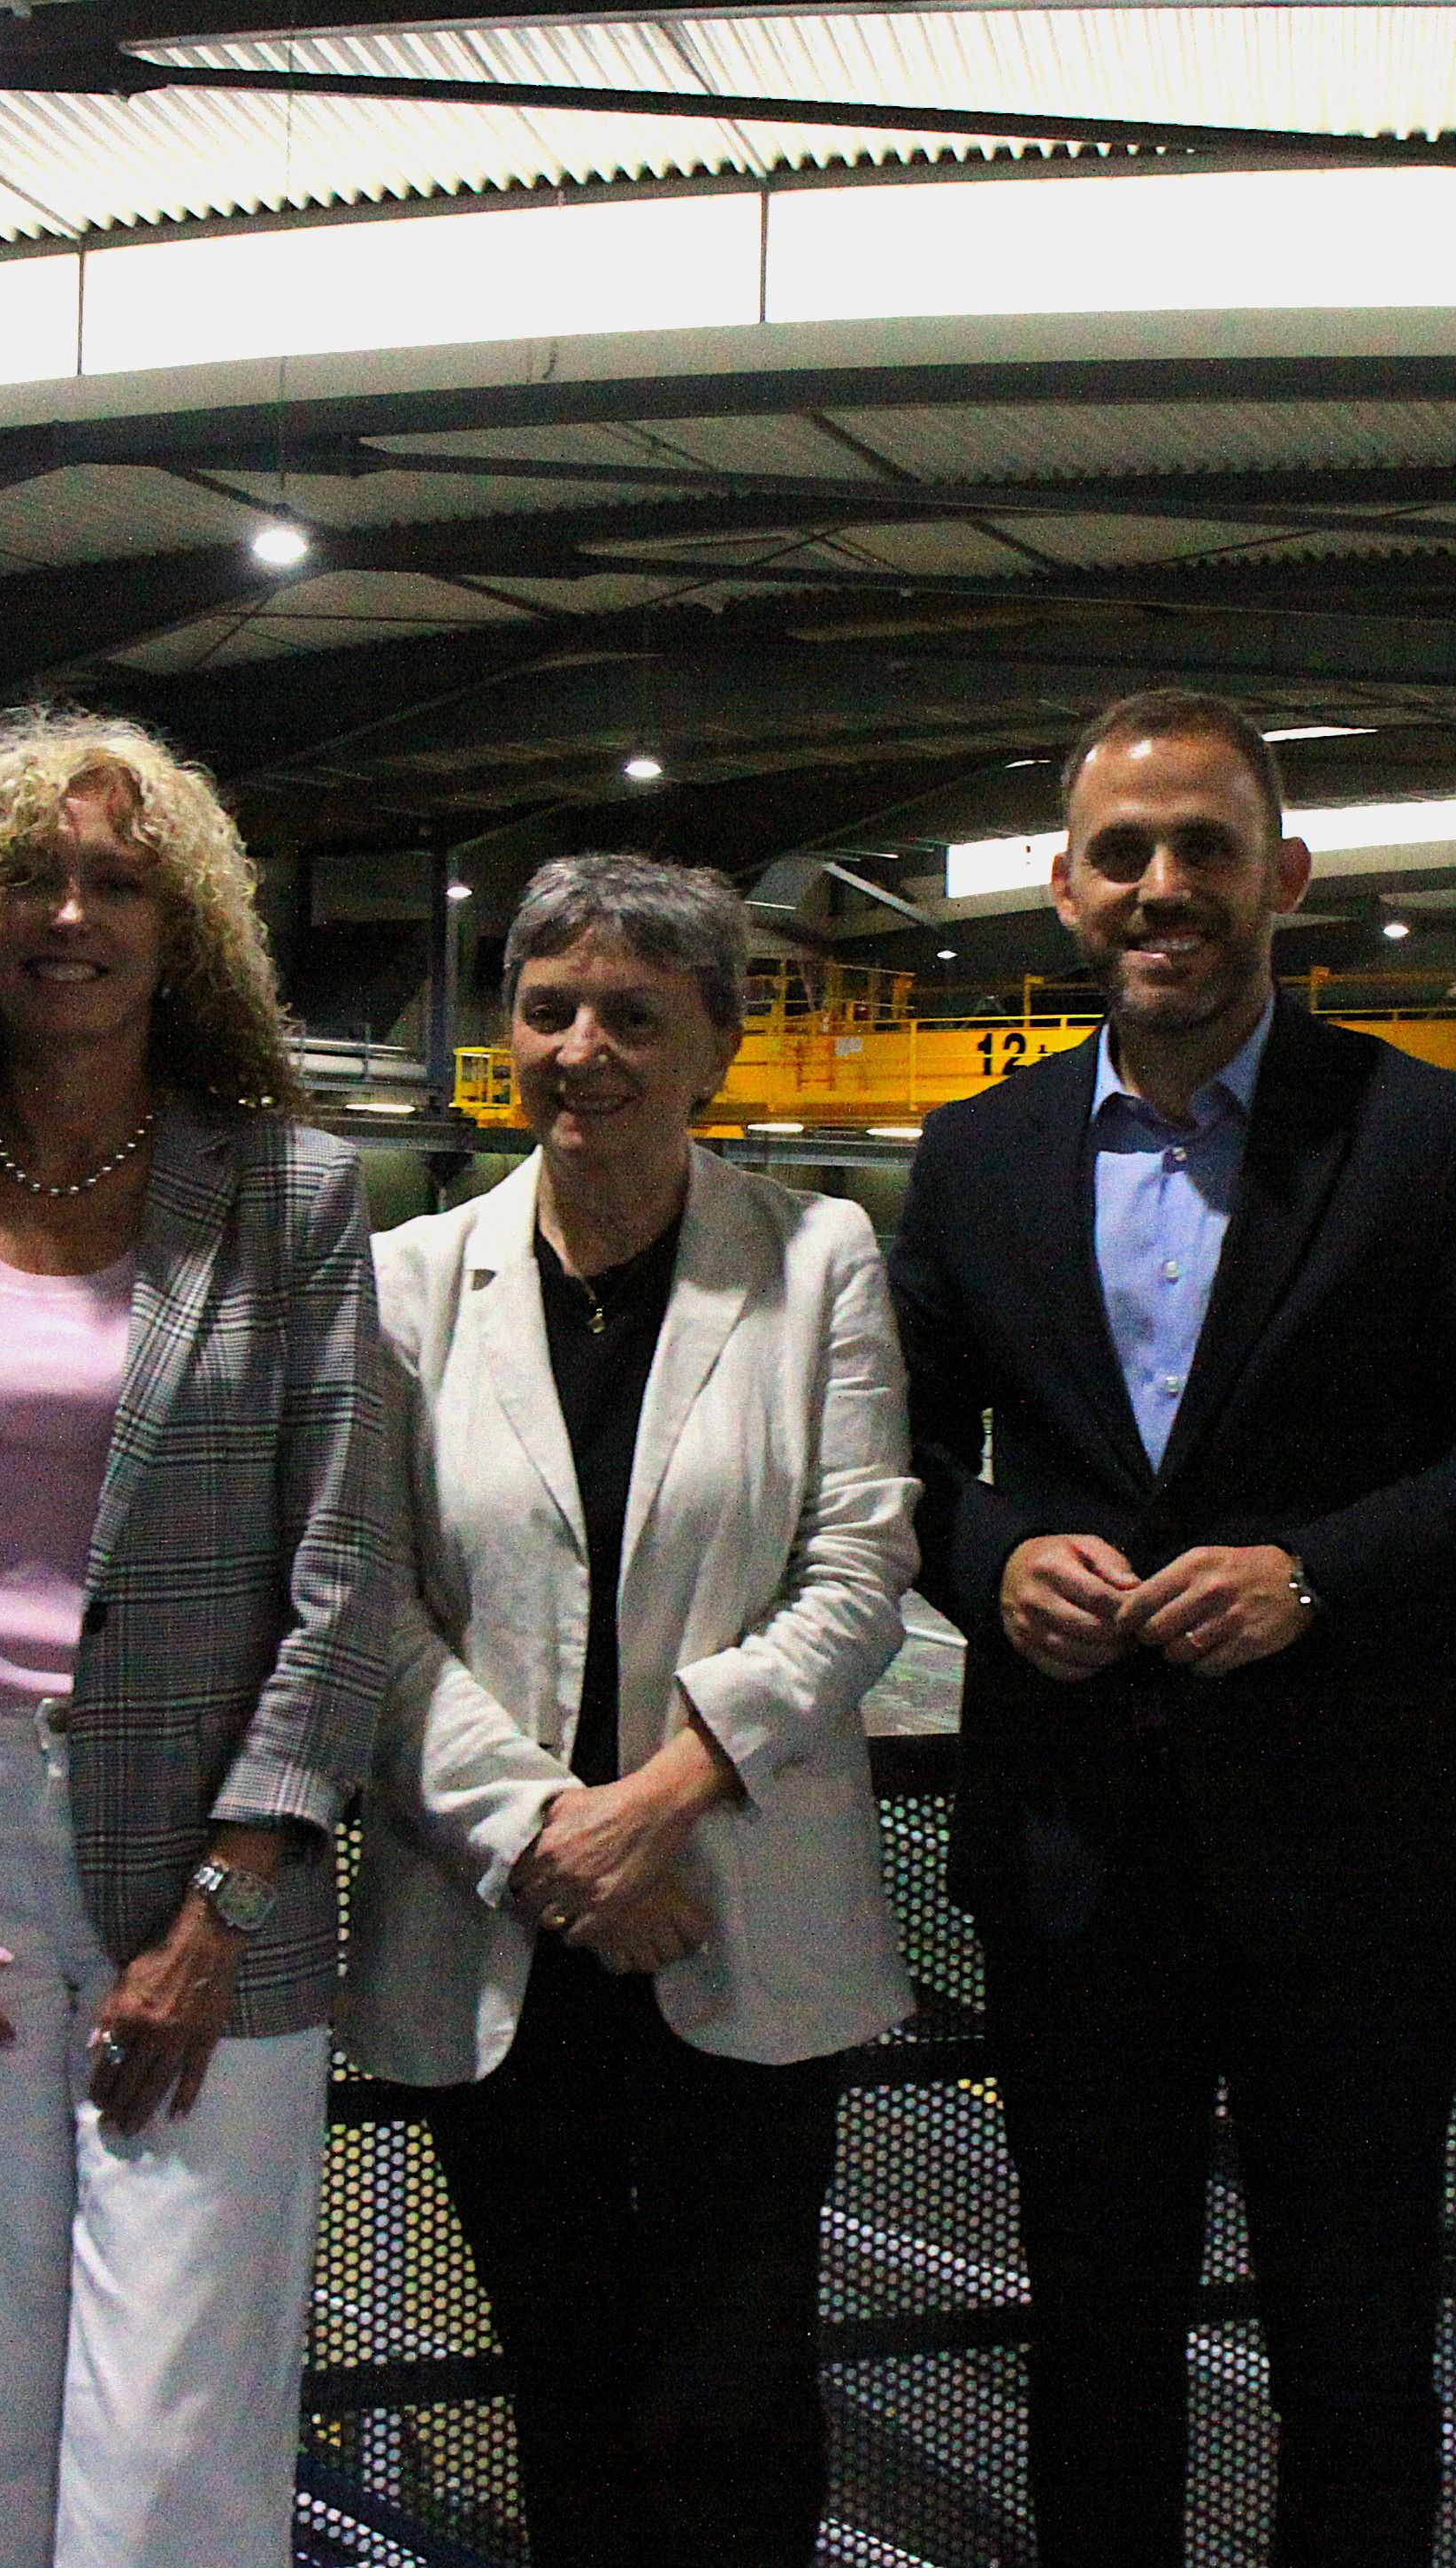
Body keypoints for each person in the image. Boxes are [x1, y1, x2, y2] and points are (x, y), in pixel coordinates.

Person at [886, 687, 1456, 2568]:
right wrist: (994, 1560)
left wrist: (1313, 1576)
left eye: (1205, 846)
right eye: (1122, 852)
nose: (1164, 886)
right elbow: (891, 1465)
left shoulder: (1425, 1132)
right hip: (1076, 1854)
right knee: (1091, 2342)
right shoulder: (974, 1157)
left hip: (1356, 1855)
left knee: (1355, 2353)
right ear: (1065, 890)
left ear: (1284, 875)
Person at [0, 707, 398, 2568]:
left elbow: (345, 1567)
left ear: (179, 928)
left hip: (206, 1872)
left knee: (175, 2431)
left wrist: (228, 1904)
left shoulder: (290, 1195)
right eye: (29, 879)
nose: (69, 917)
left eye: (116, 883)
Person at [348, 854, 919, 2568]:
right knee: (566, 2399)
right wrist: (553, 1836)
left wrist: (661, 1799)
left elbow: (860, 1568)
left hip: (730, 1908)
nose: (580, 1050)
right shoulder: (409, 1279)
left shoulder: (816, 1258)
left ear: (718, 1046)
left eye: (633, 1018)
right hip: (504, 1924)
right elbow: (370, 1605)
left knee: (734, 2403)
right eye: (547, 1011)